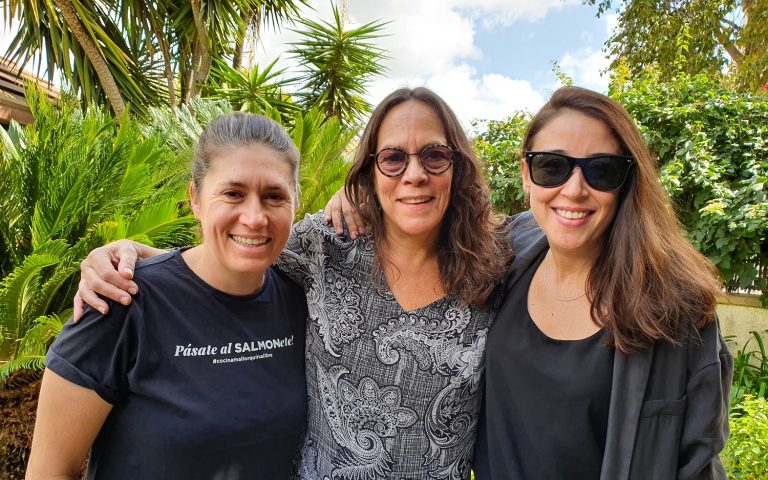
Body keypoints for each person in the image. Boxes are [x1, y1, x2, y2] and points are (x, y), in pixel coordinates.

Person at [72, 87, 511, 479]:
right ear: (370, 172)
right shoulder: (326, 247)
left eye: (435, 155)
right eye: (393, 158)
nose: (414, 173)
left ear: (458, 166)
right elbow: (236, 248)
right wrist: (131, 255)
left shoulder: (494, 265)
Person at [26, 113, 308, 479]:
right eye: (233, 193)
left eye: (274, 196)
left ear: (295, 202)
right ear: (195, 198)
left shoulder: (302, 300)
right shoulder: (120, 299)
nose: (254, 217)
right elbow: (50, 472)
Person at [471, 87, 732, 479]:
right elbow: (429, 228)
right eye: (551, 166)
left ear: (626, 180)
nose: (574, 189)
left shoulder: (678, 316)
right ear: (526, 174)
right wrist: (357, 204)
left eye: (601, 170)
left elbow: (698, 465)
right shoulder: (508, 253)